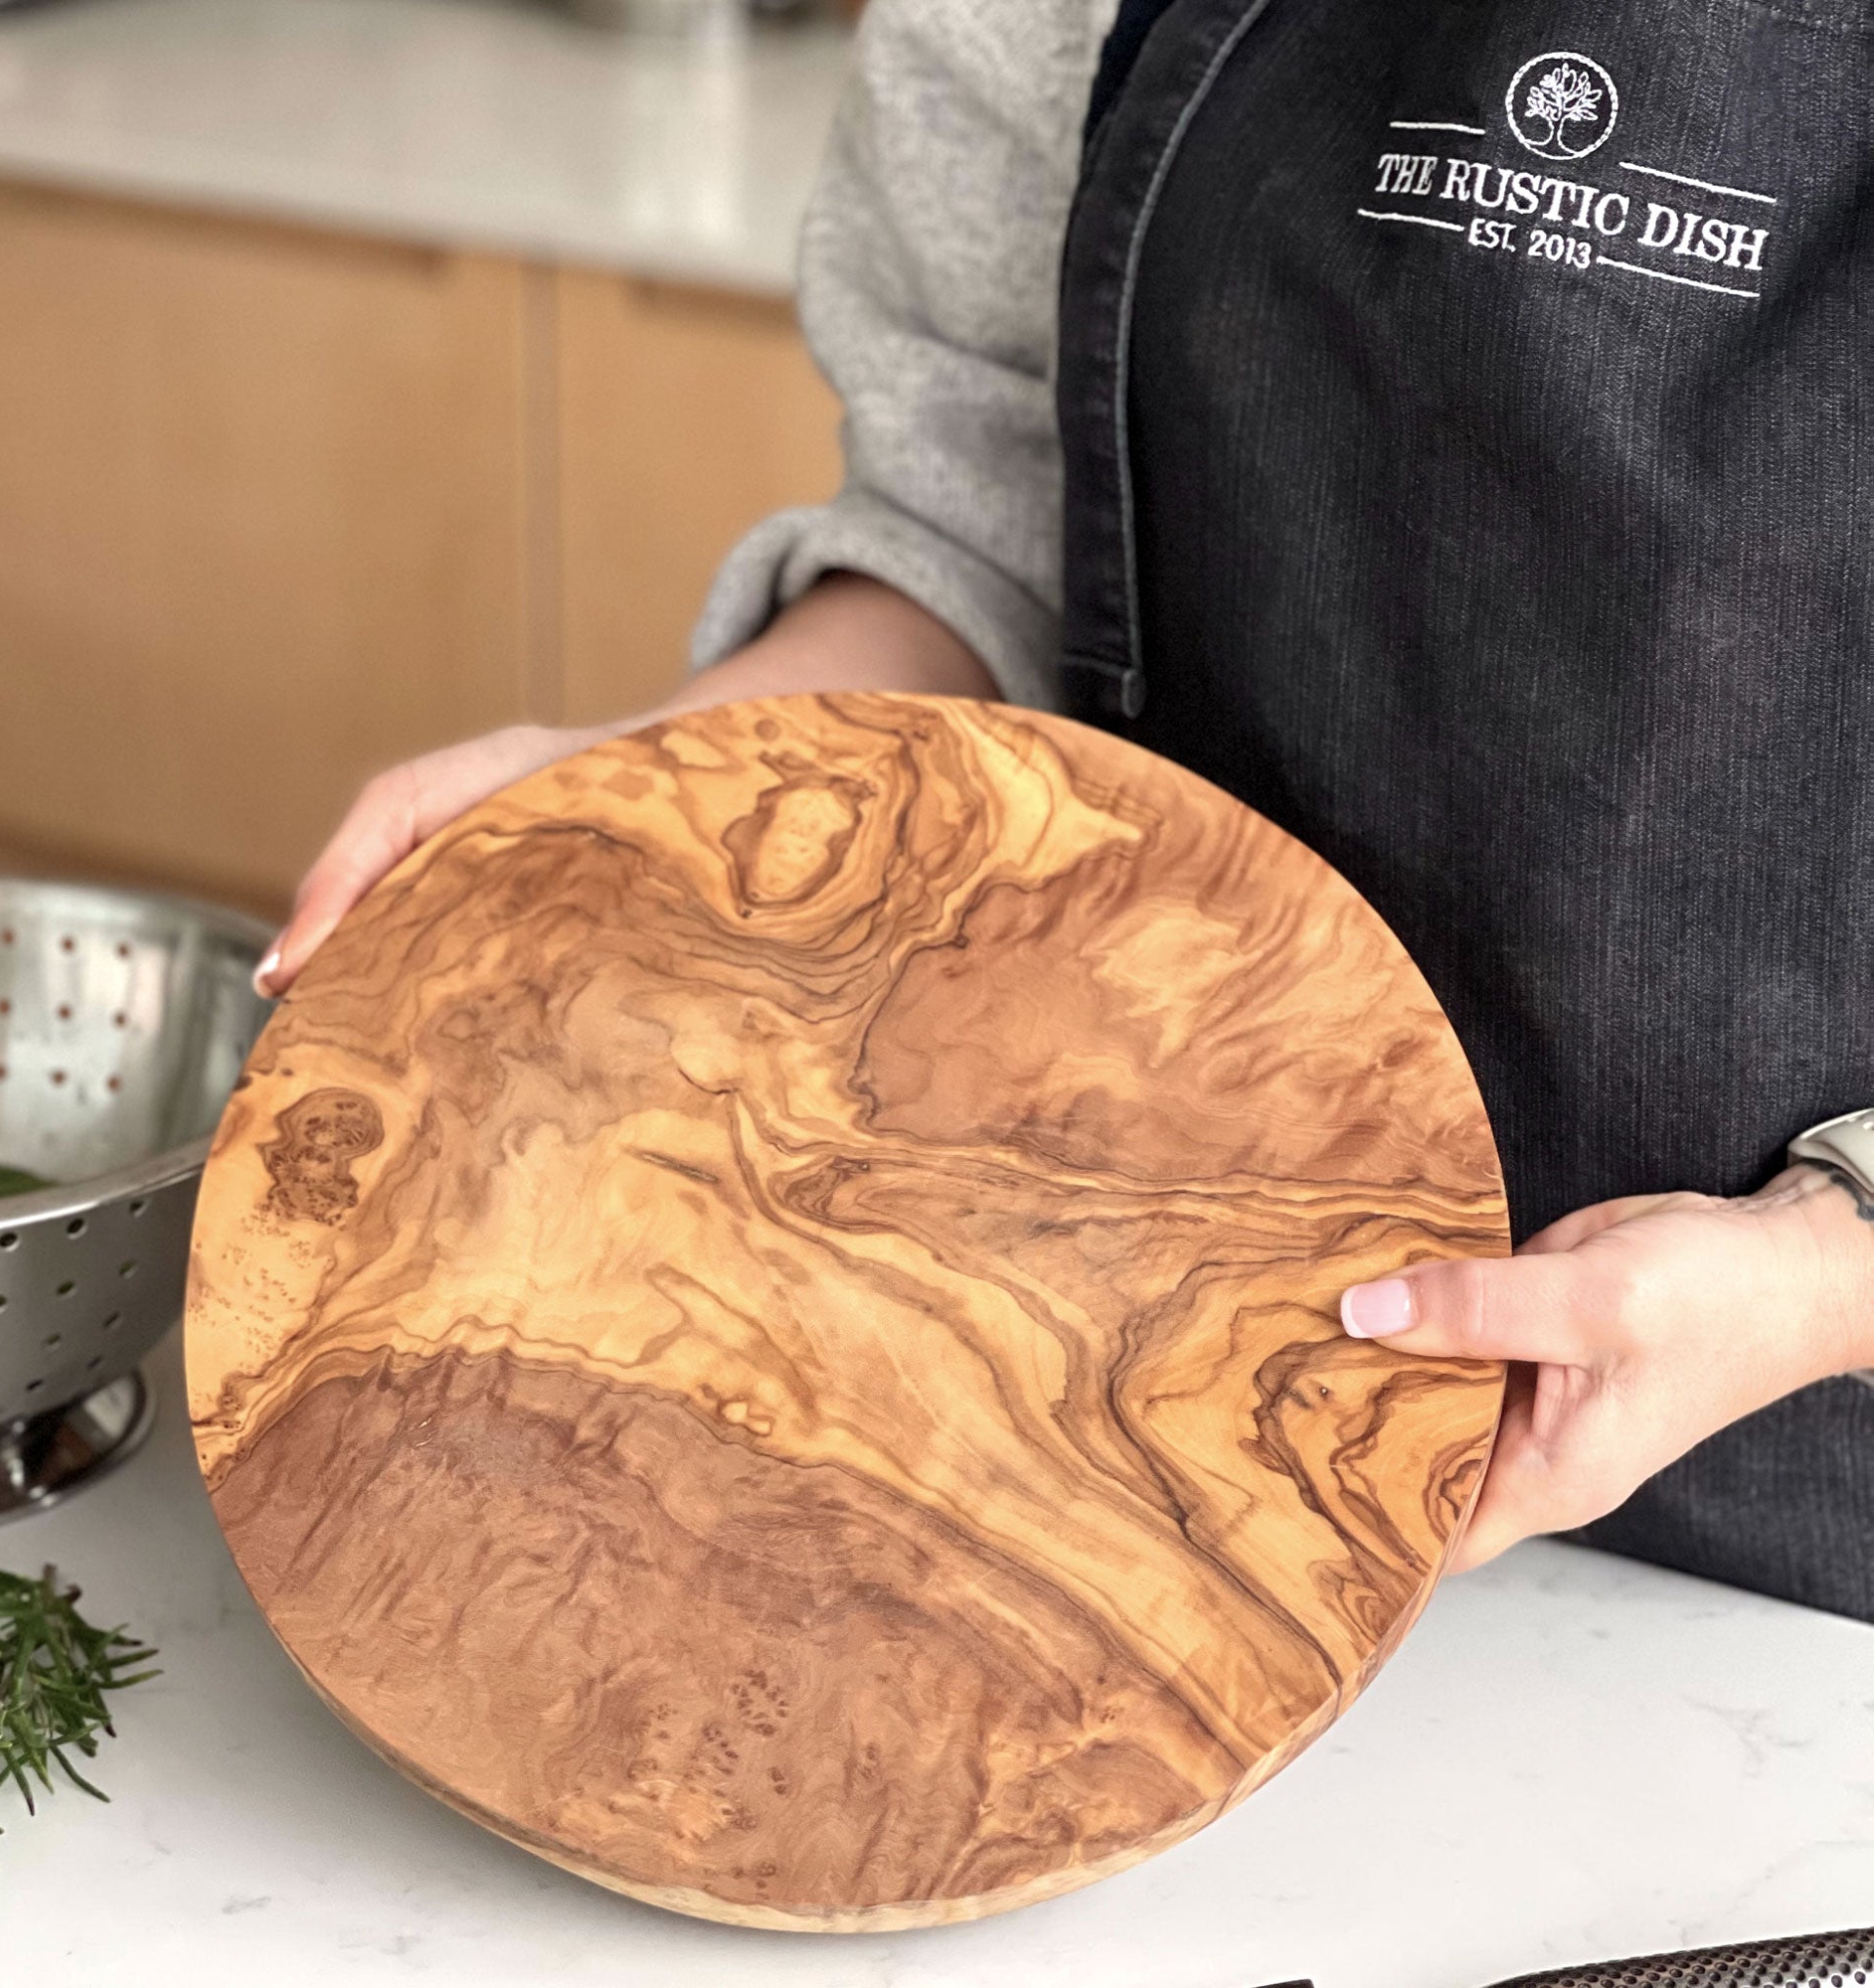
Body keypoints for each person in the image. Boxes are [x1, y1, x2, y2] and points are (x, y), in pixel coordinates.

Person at [253, 0, 1874, 1617]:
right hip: (1113, 1434)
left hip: (1803, 1552)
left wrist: (1819, 1275)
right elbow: (1003, 536)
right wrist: (659, 781)